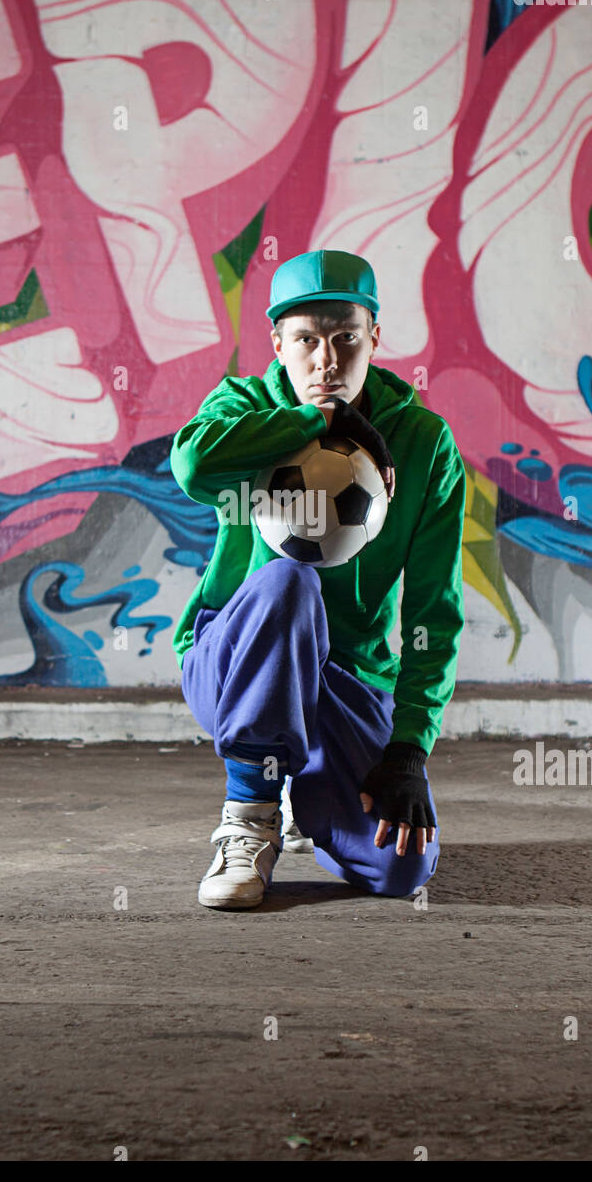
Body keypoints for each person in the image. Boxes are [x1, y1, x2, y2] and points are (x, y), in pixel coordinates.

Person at [170, 249, 466, 909]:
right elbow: (191, 465)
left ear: (375, 338)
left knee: (399, 870)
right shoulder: (244, 405)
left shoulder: (423, 443)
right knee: (288, 583)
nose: (326, 361)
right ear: (277, 344)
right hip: (231, 662)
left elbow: (432, 614)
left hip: (346, 679)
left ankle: (310, 795)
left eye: (345, 339)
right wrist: (320, 420)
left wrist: (409, 748)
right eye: (305, 340)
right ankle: (248, 816)